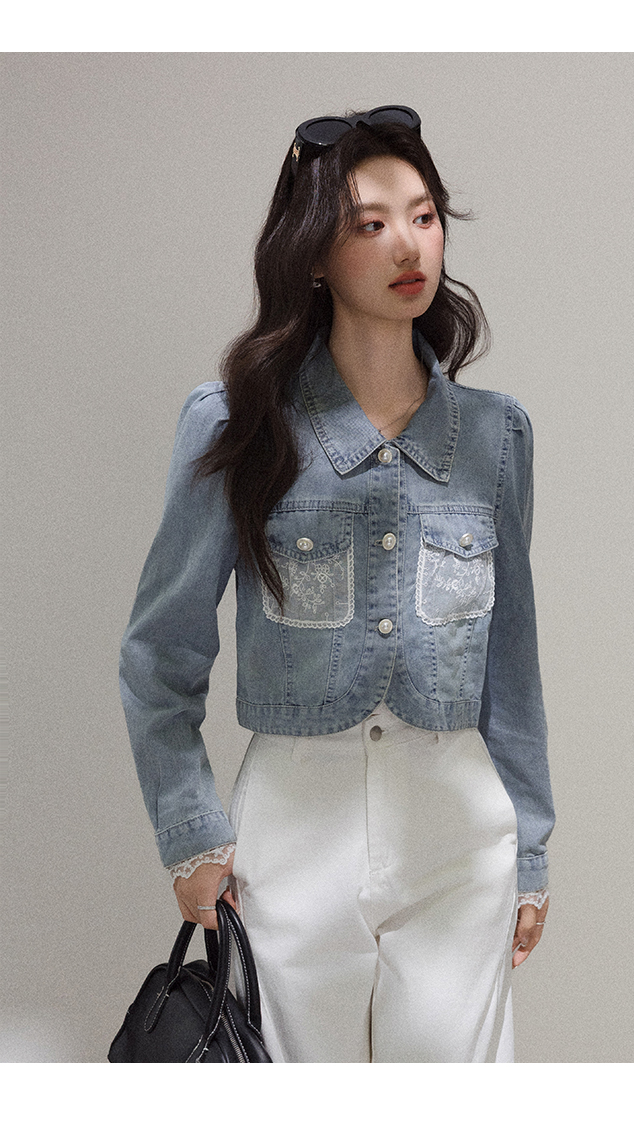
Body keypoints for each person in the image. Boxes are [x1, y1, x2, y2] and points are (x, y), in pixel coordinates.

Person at [120, 105, 555, 1063]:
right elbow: (160, 650)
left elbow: (511, 664)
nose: (408, 243)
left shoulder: (495, 436)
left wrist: (529, 847)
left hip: (458, 834)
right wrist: (192, 832)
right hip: (291, 836)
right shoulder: (238, 425)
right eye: (371, 223)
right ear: (314, 253)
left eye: (425, 216)